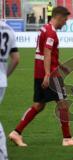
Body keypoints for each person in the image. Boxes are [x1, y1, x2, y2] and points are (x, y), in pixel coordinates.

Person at [8, 6, 73, 147]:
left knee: (39, 105)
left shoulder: (44, 29)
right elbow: (47, 52)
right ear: (59, 17)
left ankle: (16, 132)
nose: (65, 23)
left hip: (40, 72)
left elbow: (47, 53)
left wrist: (61, 66)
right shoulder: (51, 33)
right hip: (50, 75)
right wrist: (48, 74)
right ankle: (67, 138)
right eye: (65, 20)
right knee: (63, 105)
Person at [0, 20, 20, 160]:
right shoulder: (8, 29)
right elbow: (16, 59)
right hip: (2, 80)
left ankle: (3, 154)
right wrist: (4, 75)